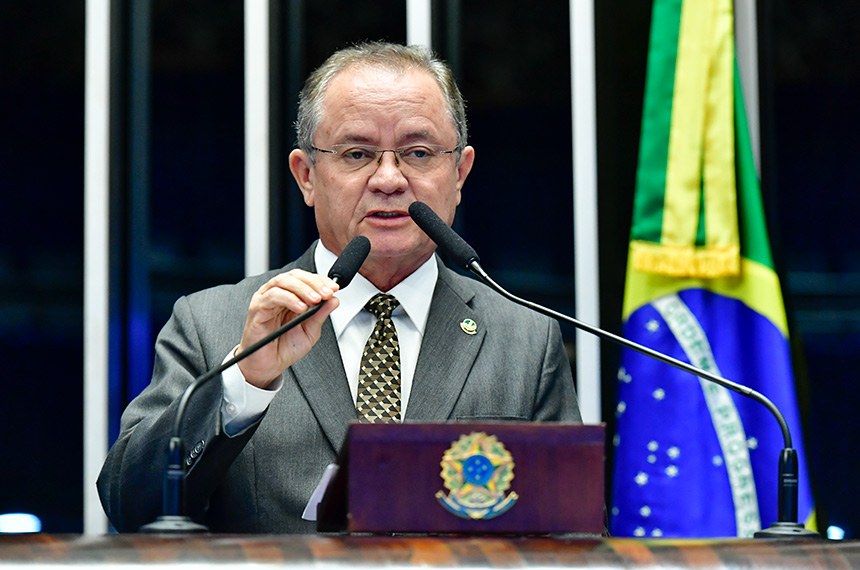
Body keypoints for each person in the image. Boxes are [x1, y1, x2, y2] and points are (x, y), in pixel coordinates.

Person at [98, 41, 582, 534]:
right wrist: (246, 380)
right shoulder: (212, 324)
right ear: (306, 176)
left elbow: (576, 540)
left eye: (418, 153)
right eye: (357, 154)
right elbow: (130, 505)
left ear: (459, 173)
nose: (389, 179)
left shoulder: (525, 339)